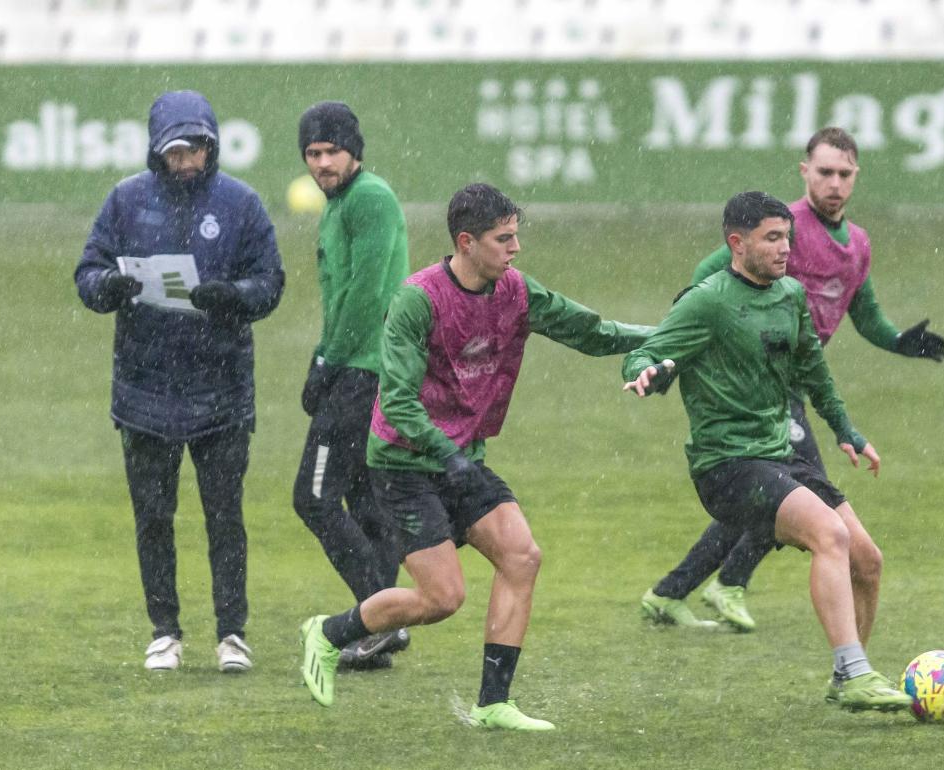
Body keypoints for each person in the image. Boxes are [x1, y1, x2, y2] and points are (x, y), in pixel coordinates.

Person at [298, 183, 653, 730]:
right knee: (441, 598)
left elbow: (593, 332)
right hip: (405, 464)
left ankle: (493, 705)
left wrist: (673, 334)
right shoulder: (418, 299)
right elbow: (396, 402)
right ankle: (327, 632)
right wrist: (448, 453)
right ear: (466, 242)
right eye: (502, 239)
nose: (515, 249)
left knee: (521, 556)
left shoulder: (515, 291)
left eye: (515, 236)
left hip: (459, 458)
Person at [640, 127, 944, 633]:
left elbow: (863, 312)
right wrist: (684, 345)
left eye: (844, 174)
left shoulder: (857, 245)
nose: (834, 183)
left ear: (856, 178)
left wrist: (898, 341)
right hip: (754, 387)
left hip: (793, 384)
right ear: (804, 171)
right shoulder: (780, 228)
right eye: (823, 171)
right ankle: (727, 586)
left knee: (772, 494)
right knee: (795, 492)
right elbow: (710, 272)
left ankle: (677, 590)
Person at [623, 190, 912, 713]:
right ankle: (854, 672)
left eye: (788, 237)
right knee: (831, 535)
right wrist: (641, 372)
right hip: (727, 466)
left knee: (867, 560)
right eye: (773, 238)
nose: (786, 248)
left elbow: (814, 372)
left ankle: (848, 676)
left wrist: (847, 428)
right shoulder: (707, 300)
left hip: (780, 454)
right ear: (737, 243)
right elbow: (648, 351)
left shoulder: (790, 297)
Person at [74, 90, 285, 672]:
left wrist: (232, 298)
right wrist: (106, 289)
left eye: (197, 149)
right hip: (143, 392)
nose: (187, 160)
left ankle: (232, 633)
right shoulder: (125, 201)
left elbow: (270, 281)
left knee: (225, 516)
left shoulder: (241, 205)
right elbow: (88, 271)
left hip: (222, 393)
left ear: (211, 146)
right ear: (157, 151)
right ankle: (164, 631)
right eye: (176, 150)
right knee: (153, 518)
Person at [293, 101, 410, 670]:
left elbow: (366, 293)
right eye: (311, 154)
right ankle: (379, 632)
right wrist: (322, 355)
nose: (320, 163)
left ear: (353, 151)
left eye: (330, 151)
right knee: (367, 504)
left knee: (313, 498)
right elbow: (343, 298)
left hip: (364, 373)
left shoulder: (370, 199)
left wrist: (329, 361)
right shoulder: (341, 204)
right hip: (357, 367)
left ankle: (384, 613)